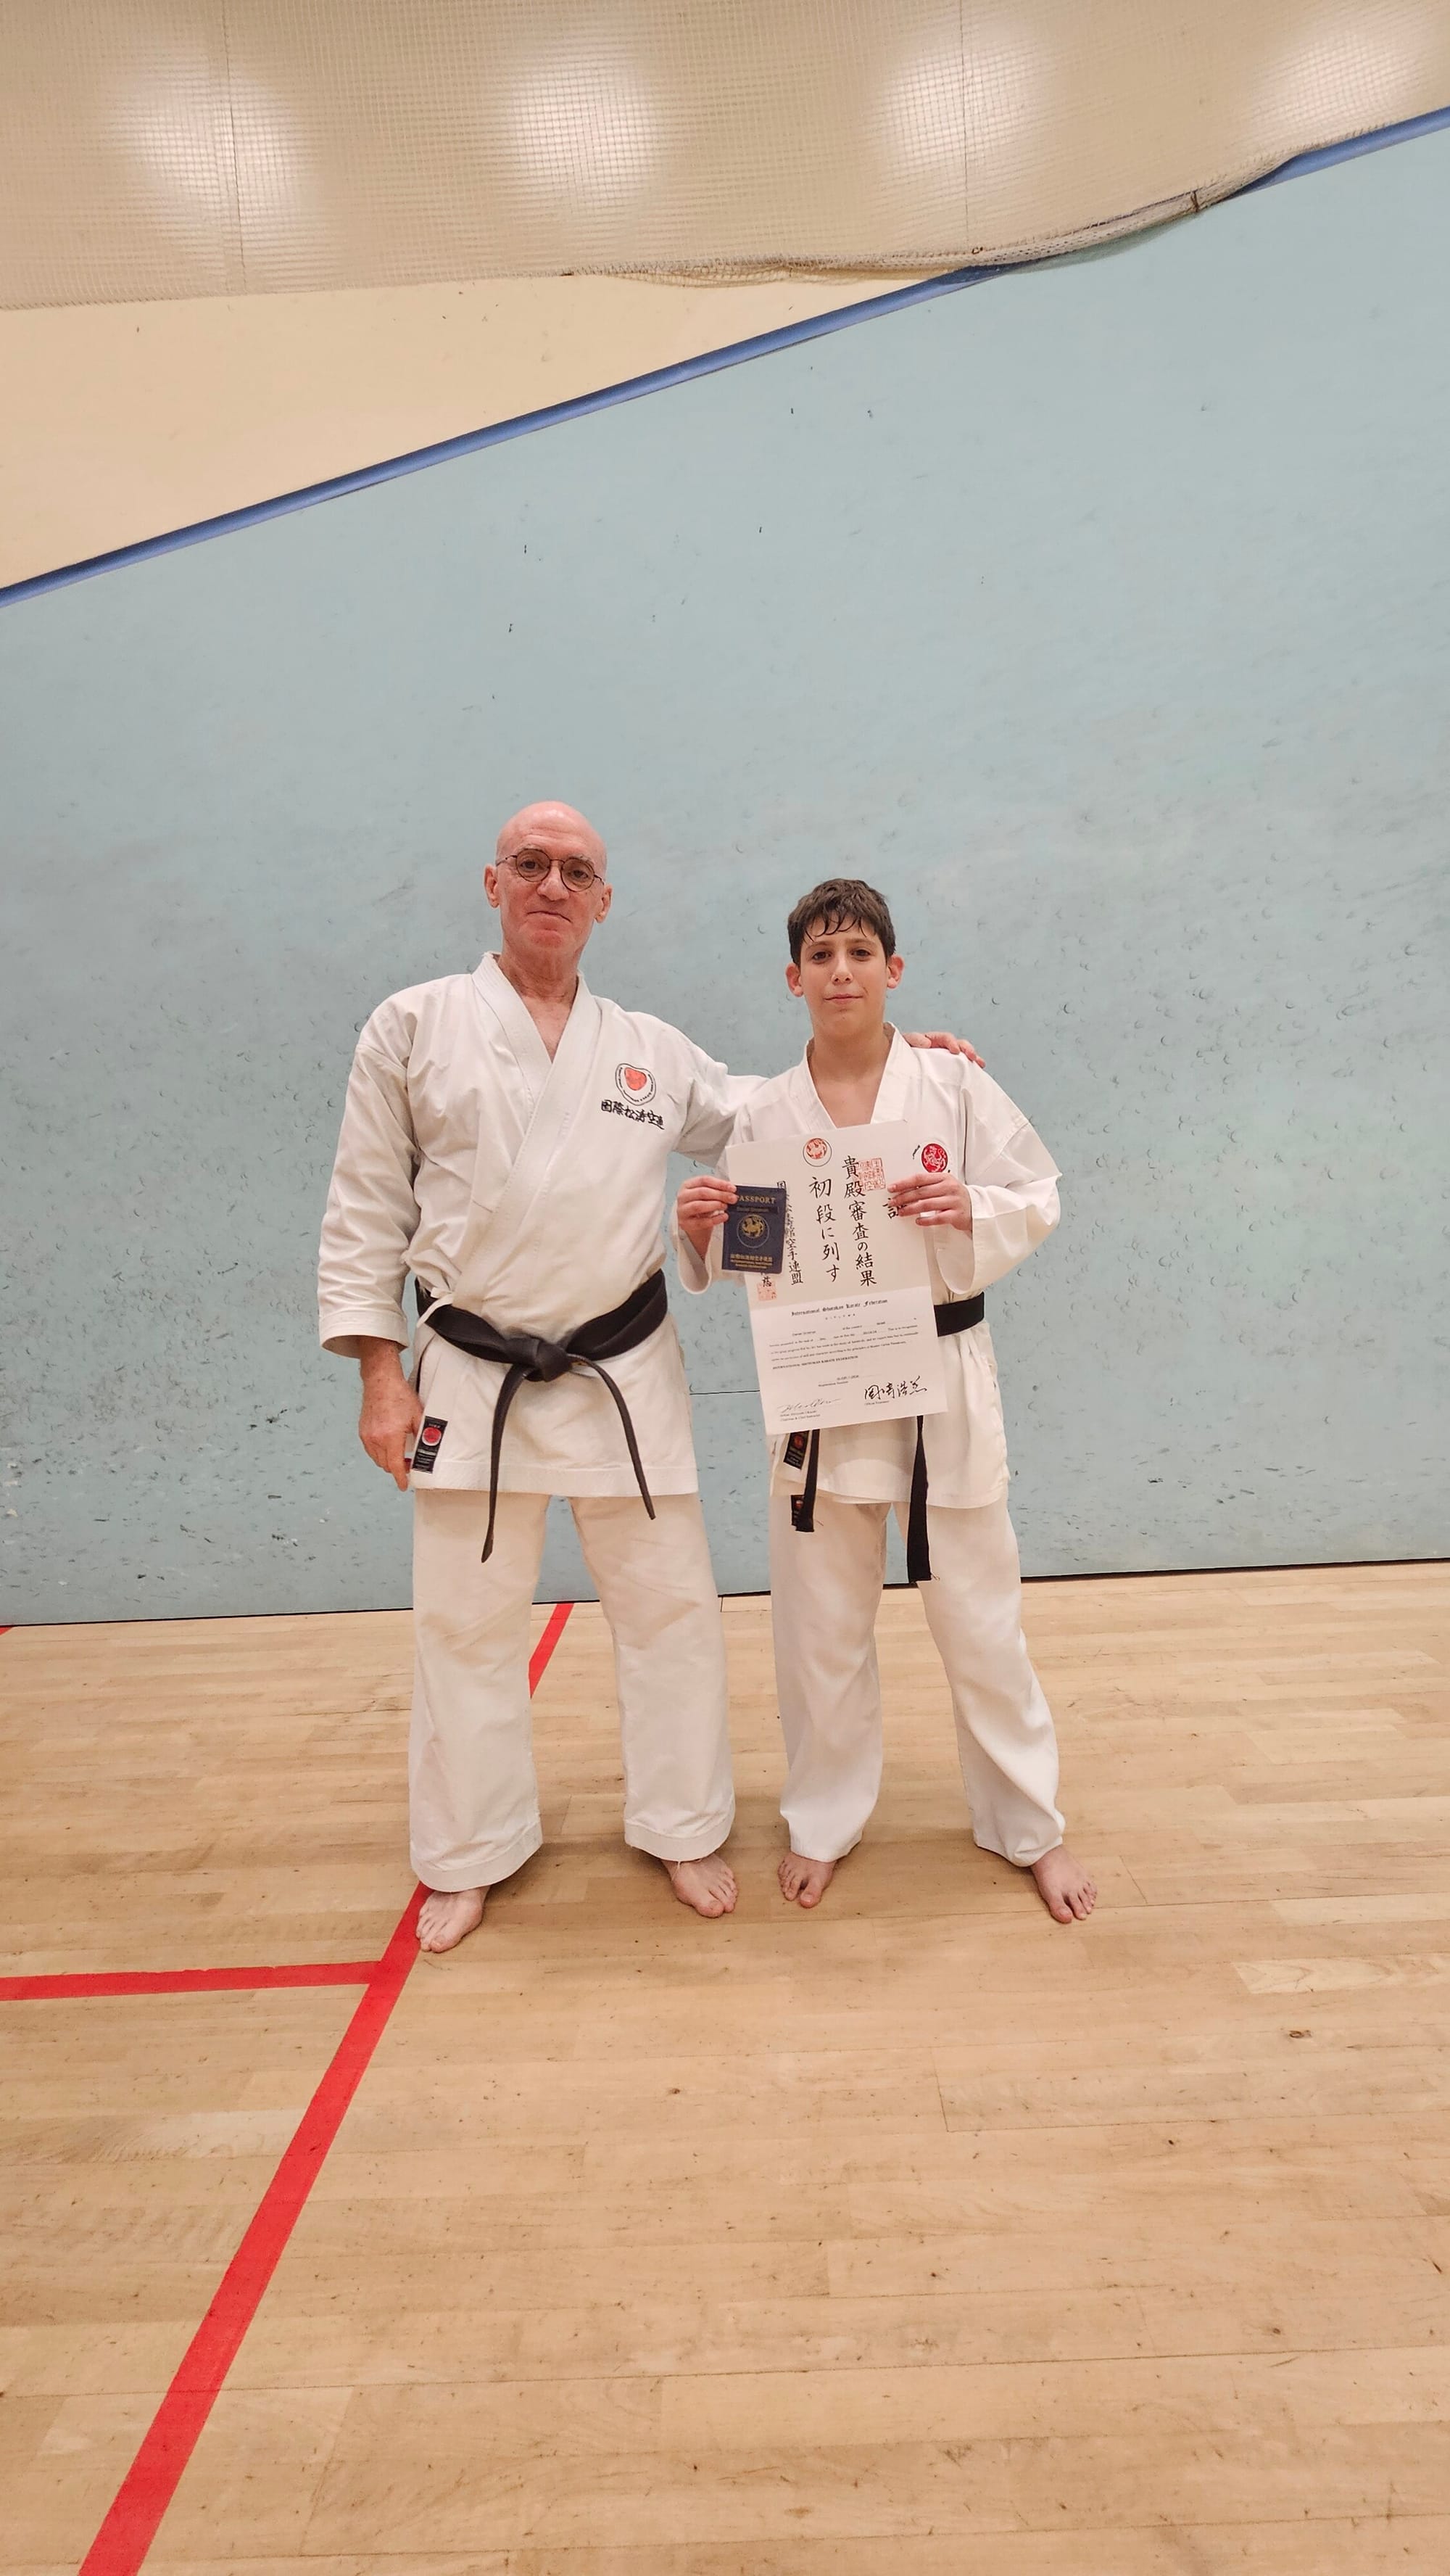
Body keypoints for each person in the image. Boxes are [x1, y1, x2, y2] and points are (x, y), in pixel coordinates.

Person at [318, 808, 975, 1951]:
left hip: (622, 1374)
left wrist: (893, 1057)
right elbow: (365, 1206)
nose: (553, 885)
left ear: (604, 901)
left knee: (671, 1613)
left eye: (577, 871)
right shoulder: (413, 1025)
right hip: (472, 1371)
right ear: (494, 883)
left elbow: (775, 1112)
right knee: (464, 1625)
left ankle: (682, 1825)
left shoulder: (650, 1052)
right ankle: (470, 1851)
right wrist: (382, 1376)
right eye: (531, 865)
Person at [674, 875, 1096, 1923]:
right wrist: (705, 1231)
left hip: (942, 1378)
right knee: (819, 1628)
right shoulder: (766, 1112)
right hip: (823, 1381)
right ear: (793, 978)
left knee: (982, 1620)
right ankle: (822, 1819)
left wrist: (969, 1205)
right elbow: (758, 1256)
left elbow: (1038, 1192)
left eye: (859, 953)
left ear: (893, 969)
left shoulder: (953, 1084)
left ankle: (1029, 1824)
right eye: (821, 956)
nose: (841, 972)